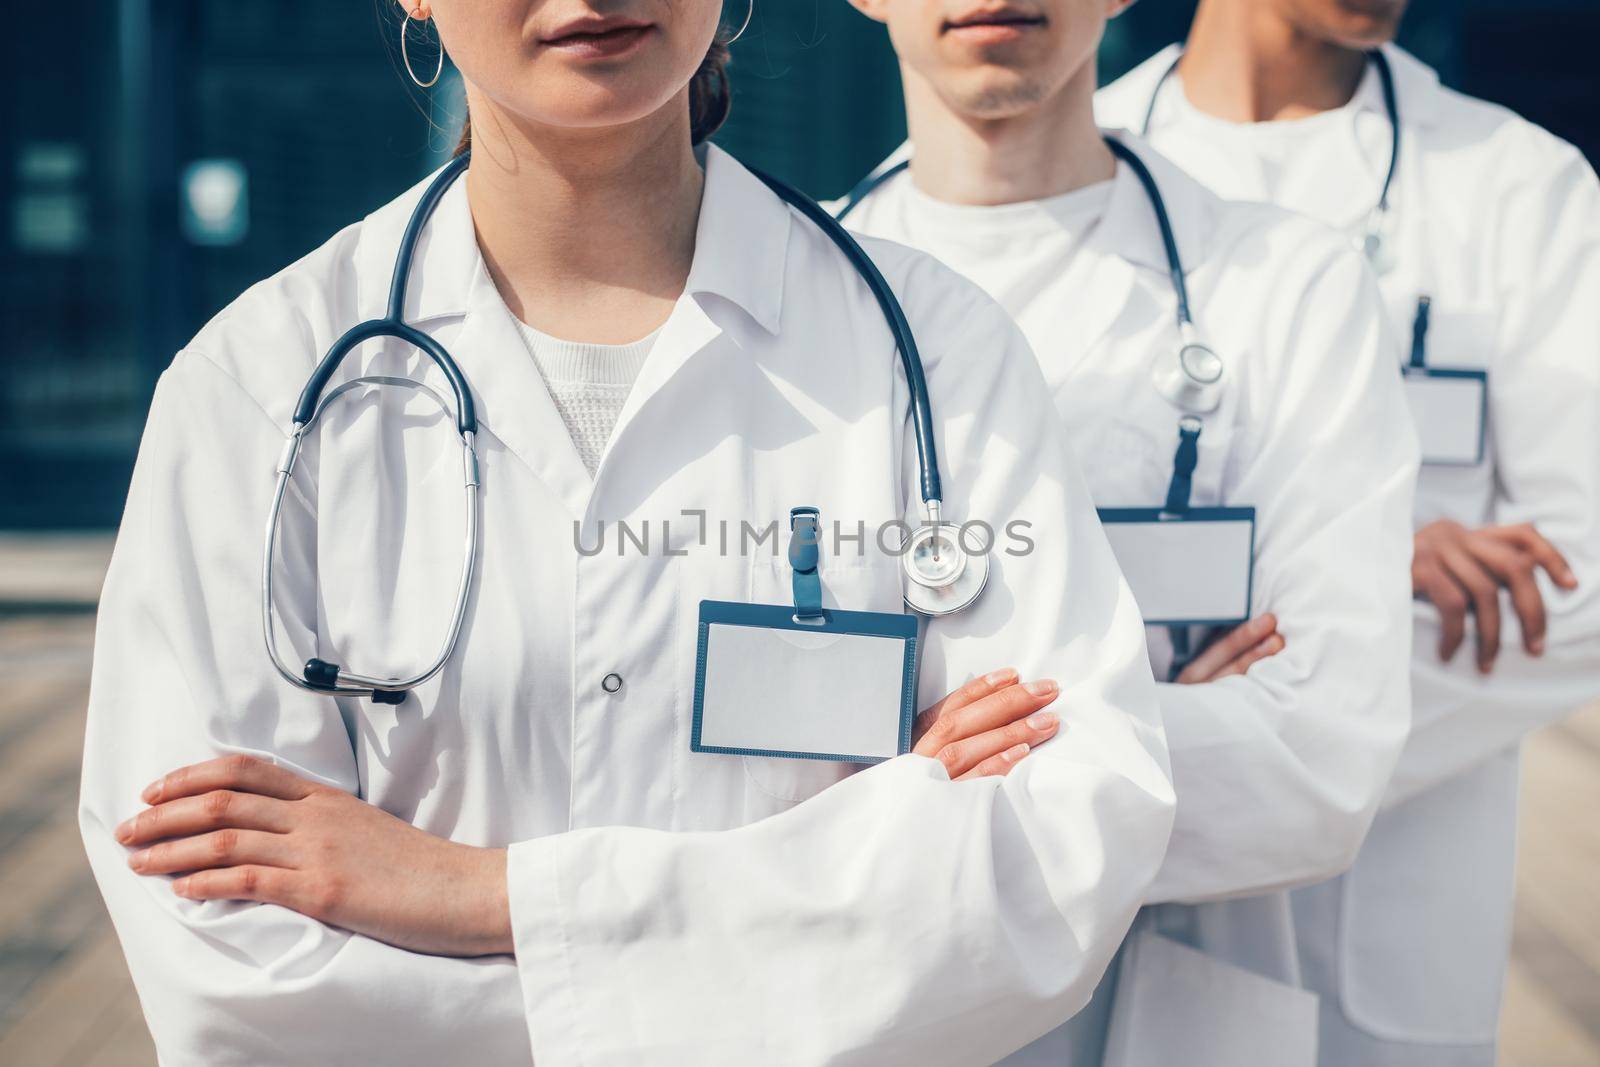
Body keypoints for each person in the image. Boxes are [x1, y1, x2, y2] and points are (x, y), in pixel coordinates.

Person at [78, 0, 1178, 1063]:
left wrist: (469, 893)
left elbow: (1053, 855)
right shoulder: (256, 387)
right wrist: (824, 908)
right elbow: (229, 974)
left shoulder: (939, 358)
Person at [837, 0, 1417, 1062]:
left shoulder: (1287, 287)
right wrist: (1142, 728)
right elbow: (719, 779)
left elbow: (1325, 760)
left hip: (1179, 1009)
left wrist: (900, 772)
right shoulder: (789, 310)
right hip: (882, 1014)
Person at [1097, 2, 1600, 1063]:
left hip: (1382, 924)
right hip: (1095, 945)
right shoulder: (1070, 169)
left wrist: (1192, 758)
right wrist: (1364, 559)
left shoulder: (1518, 186)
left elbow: (1580, 586)